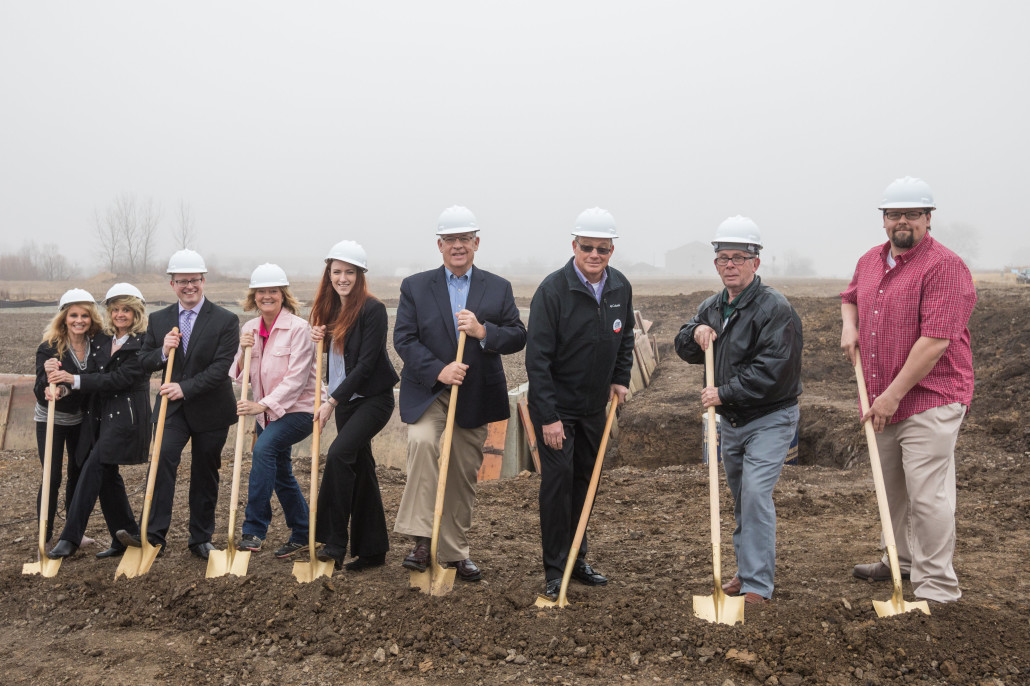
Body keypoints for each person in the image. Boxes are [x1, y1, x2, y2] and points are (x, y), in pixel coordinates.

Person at [842, 177, 976, 604]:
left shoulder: (945, 266)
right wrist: (850, 326)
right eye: (894, 214)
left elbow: (935, 341)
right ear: (883, 220)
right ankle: (897, 561)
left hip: (930, 398)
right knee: (892, 488)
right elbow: (849, 297)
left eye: (912, 214)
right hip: (879, 396)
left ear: (928, 219)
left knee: (928, 494)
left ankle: (937, 585)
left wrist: (893, 395)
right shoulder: (869, 261)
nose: (902, 222)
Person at [674, 215, 803, 605]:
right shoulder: (712, 306)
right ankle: (746, 571)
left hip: (770, 419)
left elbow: (773, 373)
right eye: (723, 258)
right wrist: (694, 334)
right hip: (731, 422)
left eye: (739, 257)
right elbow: (684, 346)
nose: (730, 264)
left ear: (756, 263)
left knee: (755, 495)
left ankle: (758, 586)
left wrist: (723, 392)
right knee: (740, 497)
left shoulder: (775, 310)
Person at [393, 206, 526, 582]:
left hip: (474, 395)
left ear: (476, 243)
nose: (457, 246)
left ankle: (453, 551)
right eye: (450, 240)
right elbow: (403, 337)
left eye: (464, 239)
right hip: (430, 390)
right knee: (422, 443)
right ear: (439, 245)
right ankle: (421, 540)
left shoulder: (497, 287)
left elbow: (517, 334)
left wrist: (485, 332)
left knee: (462, 471)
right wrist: (439, 369)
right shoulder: (415, 286)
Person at [526, 207, 635, 601]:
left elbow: (626, 340)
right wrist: (550, 417)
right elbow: (537, 360)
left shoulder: (620, 288)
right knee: (557, 486)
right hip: (557, 409)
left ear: (611, 250)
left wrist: (620, 378)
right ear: (574, 246)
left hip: (594, 409)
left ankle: (578, 558)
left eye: (602, 249)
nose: (594, 255)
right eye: (587, 247)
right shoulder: (552, 292)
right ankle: (556, 569)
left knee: (585, 484)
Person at [117, 249, 240, 561]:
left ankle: (200, 539)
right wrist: (161, 351)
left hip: (211, 408)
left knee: (205, 471)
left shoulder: (226, 320)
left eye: (195, 280)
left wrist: (184, 388)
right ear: (172, 284)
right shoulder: (159, 320)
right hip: (171, 411)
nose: (190, 286)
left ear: (203, 281)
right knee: (161, 462)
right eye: (183, 281)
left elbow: (220, 368)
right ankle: (154, 536)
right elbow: (143, 360)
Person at [307, 241, 399, 572]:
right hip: (345, 400)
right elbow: (328, 362)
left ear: (359, 276)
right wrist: (317, 337)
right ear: (328, 274)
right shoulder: (327, 310)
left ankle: (332, 541)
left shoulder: (372, 310)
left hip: (373, 399)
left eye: (349, 272)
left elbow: (364, 365)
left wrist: (331, 402)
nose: (342, 278)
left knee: (339, 455)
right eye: (336, 272)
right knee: (362, 469)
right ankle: (373, 551)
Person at [46, 284, 151, 560]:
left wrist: (73, 379)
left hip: (127, 419)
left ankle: (69, 537)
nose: (119, 314)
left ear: (136, 312)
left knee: (94, 467)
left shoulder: (143, 344)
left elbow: (117, 380)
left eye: (126, 309)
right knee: (107, 476)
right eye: (115, 309)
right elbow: (91, 374)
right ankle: (125, 533)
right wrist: (63, 387)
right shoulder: (103, 341)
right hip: (101, 419)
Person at [231, 264, 316, 559]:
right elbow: (241, 377)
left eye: (273, 291)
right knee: (281, 473)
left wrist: (262, 405)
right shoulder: (250, 329)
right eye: (261, 292)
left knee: (263, 451)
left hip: (299, 410)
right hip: (266, 414)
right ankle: (303, 532)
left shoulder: (298, 329)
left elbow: (297, 380)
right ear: (254, 297)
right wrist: (243, 352)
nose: (267, 296)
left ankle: (253, 529)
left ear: (283, 295)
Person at [33, 289, 102, 544]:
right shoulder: (49, 348)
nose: (79, 320)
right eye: (73, 315)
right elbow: (40, 387)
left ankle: (73, 533)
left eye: (85, 315)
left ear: (91, 318)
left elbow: (96, 380)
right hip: (51, 419)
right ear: (64, 317)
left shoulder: (96, 347)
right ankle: (45, 535)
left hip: (82, 420)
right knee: (52, 476)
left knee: (78, 473)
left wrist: (68, 386)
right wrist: (50, 388)